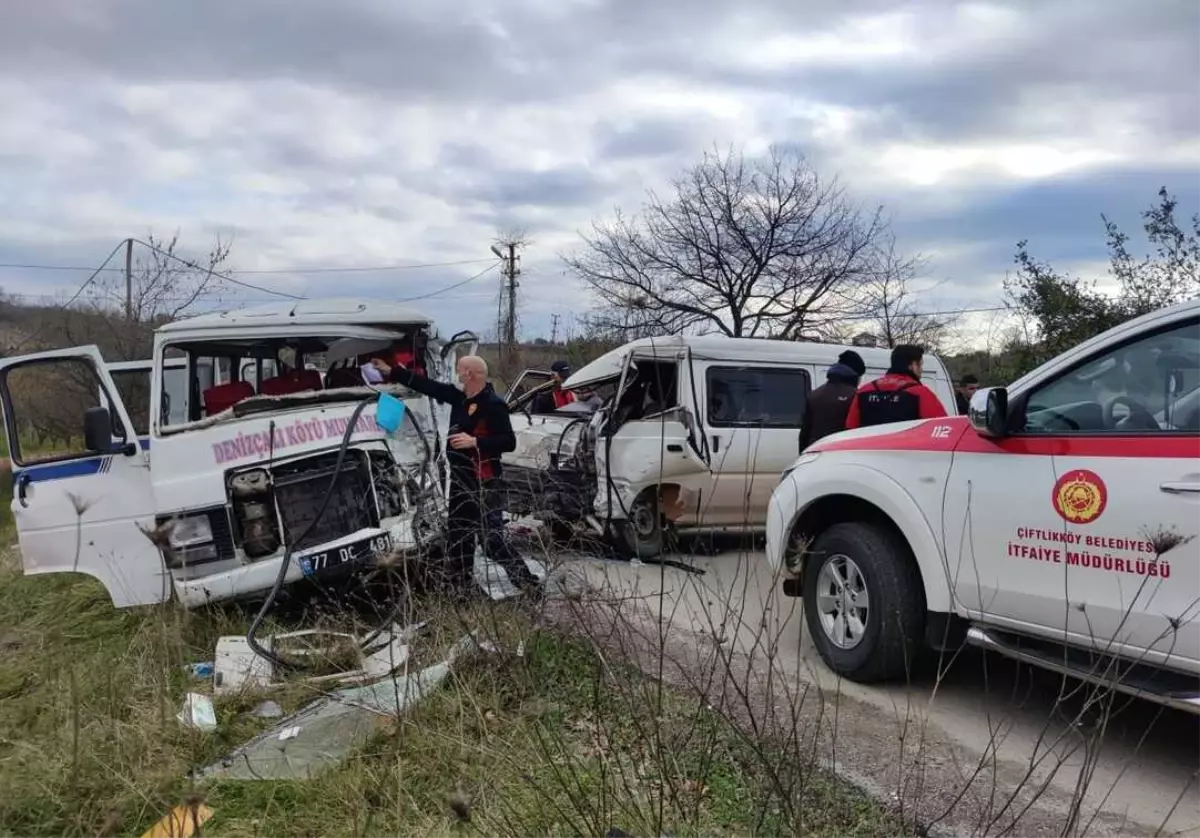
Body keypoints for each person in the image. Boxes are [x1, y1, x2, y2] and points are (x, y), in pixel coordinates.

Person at [369, 353, 541, 598]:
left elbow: (508, 442)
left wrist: (475, 441)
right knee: (460, 538)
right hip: (460, 483)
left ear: (469, 374)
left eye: (459, 370)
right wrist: (393, 371)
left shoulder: (493, 404)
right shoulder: (460, 399)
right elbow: (429, 387)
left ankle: (530, 586)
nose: (456, 374)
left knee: (491, 541)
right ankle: (461, 590)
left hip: (485, 483)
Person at [845, 344, 947, 430]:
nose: (921, 370)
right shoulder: (921, 394)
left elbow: (850, 428)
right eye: (920, 365)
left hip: (866, 452)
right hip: (906, 451)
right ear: (912, 365)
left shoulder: (864, 391)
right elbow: (943, 428)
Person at [798, 350, 866, 452]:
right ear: (855, 375)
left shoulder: (815, 395)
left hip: (815, 452)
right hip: (840, 453)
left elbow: (804, 433)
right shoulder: (856, 396)